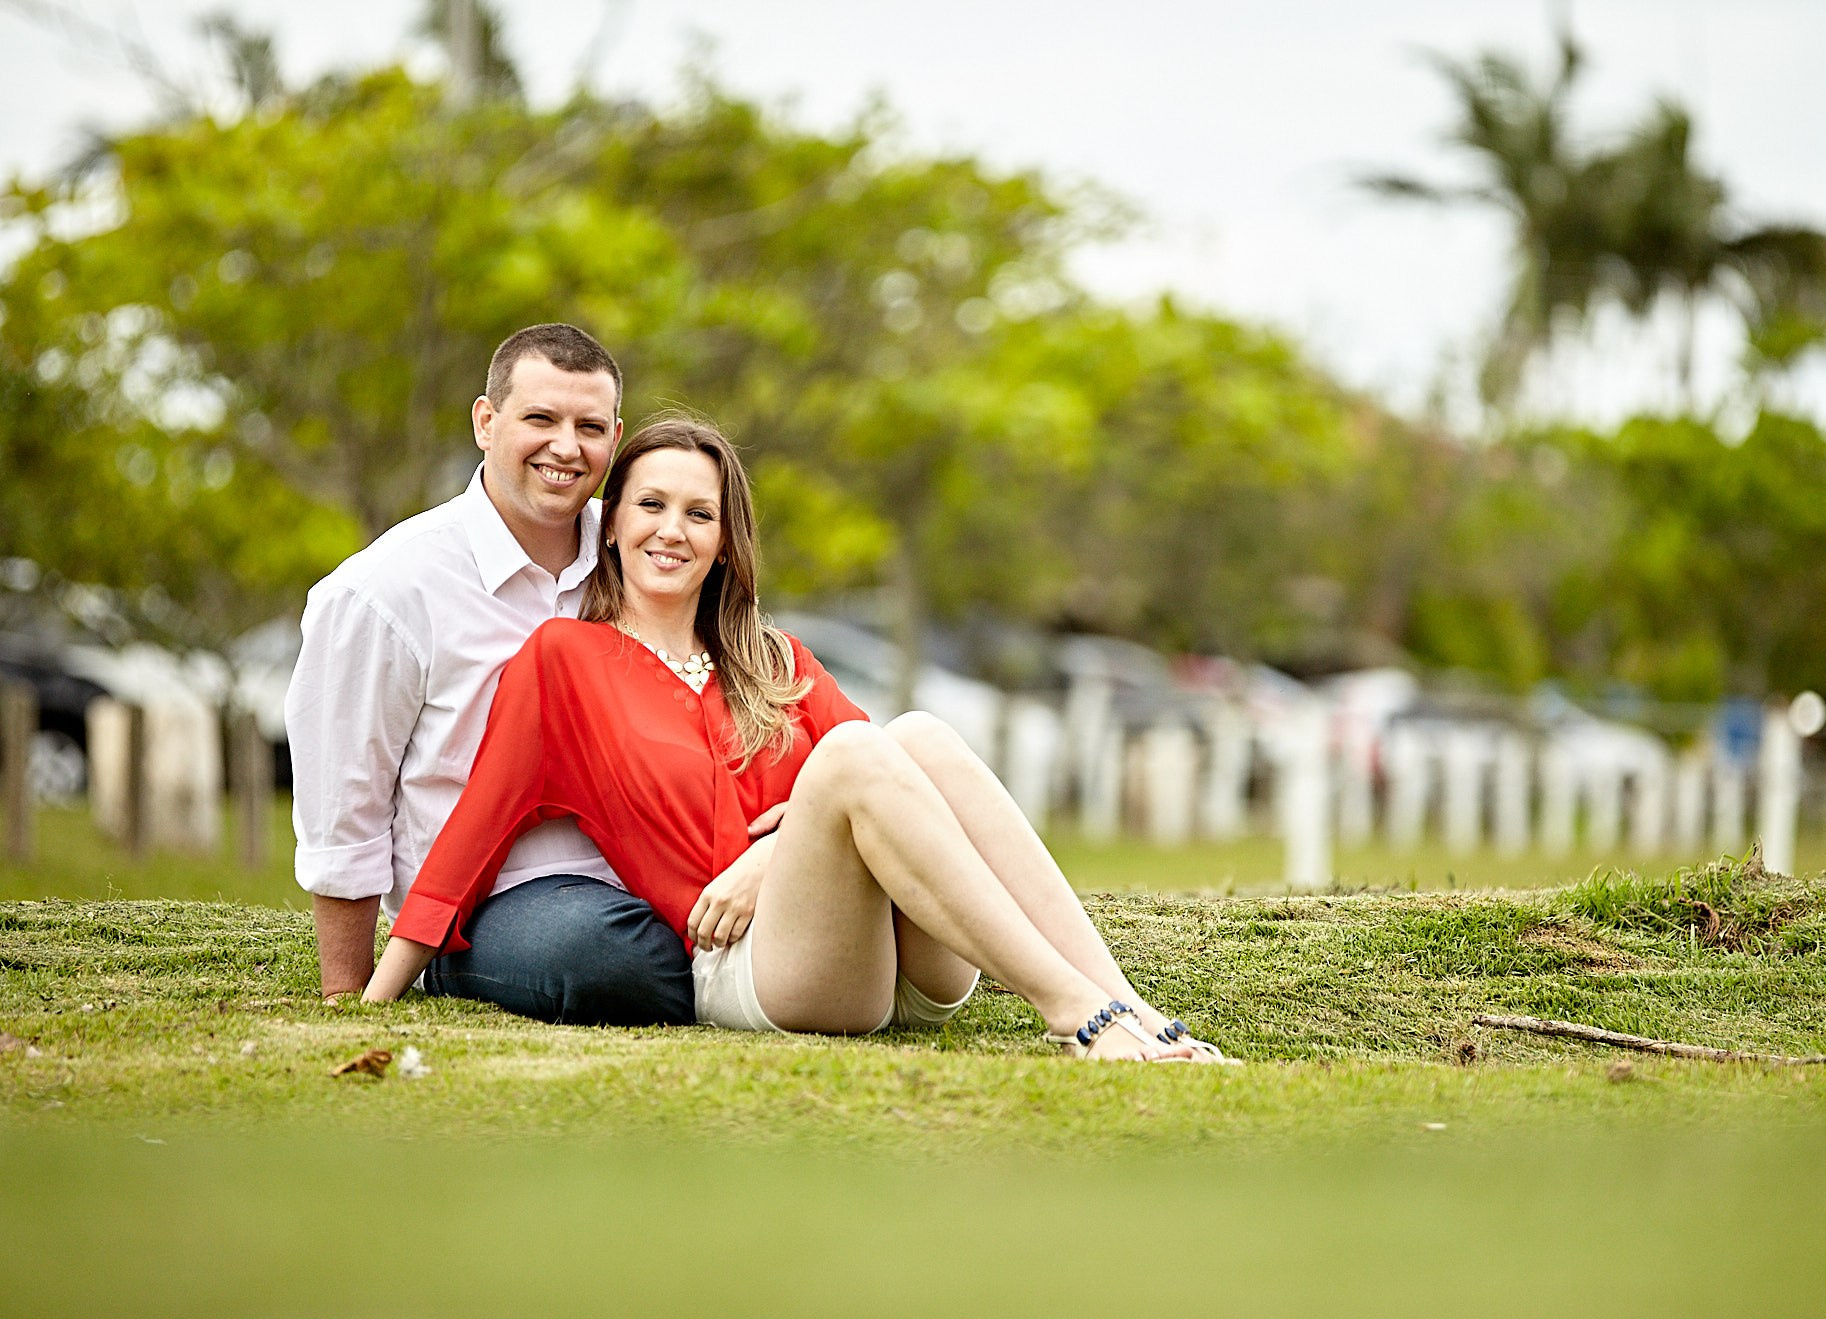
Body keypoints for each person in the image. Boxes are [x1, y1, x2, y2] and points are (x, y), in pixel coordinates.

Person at [362, 416, 1234, 1063]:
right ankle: (1077, 1016)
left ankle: (1135, 1012)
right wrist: (367, 994)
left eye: (699, 513)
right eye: (651, 504)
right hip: (761, 971)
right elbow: (468, 839)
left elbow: (891, 781)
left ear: (723, 540)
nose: (673, 529)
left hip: (905, 959)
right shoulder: (563, 659)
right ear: (612, 522)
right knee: (854, 753)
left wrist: (766, 856)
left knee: (920, 736)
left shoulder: (770, 655)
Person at [287, 323, 697, 1025]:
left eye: (590, 427)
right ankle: (742, 975)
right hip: (490, 907)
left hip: (662, 876)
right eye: (540, 418)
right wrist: (346, 996)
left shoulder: (645, 551)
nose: (566, 447)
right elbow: (343, 805)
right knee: (596, 954)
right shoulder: (386, 591)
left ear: (616, 437)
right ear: (486, 420)